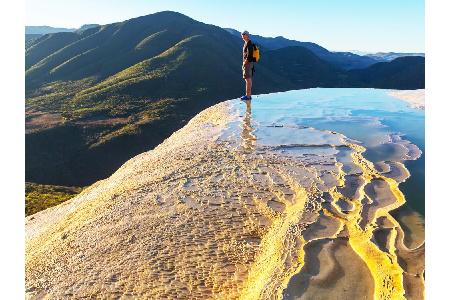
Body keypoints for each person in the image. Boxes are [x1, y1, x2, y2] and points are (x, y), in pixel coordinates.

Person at [241, 30, 254, 101]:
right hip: (248, 63)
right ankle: (248, 95)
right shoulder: (247, 43)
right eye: (242, 35)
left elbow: (249, 55)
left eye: (244, 34)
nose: (242, 36)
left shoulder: (249, 43)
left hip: (248, 63)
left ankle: (248, 96)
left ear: (247, 35)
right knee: (248, 79)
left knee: (247, 79)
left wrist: (244, 63)